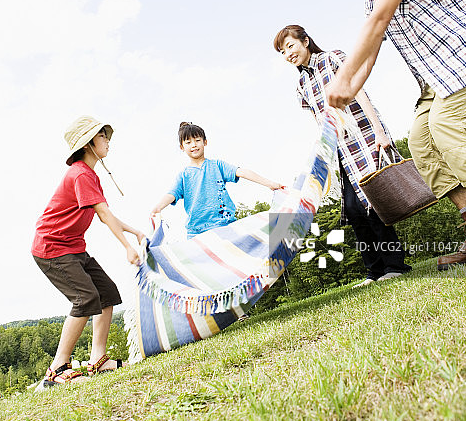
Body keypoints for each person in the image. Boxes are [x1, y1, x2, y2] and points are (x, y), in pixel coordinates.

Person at [319, 0, 466, 268]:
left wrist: (342, 76)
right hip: (436, 79)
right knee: (421, 142)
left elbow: (379, 20)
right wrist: (347, 92)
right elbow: (372, 50)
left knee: (447, 126)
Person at [274, 24, 411, 285]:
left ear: (305, 41)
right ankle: (374, 271)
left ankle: (395, 265)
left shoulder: (332, 58)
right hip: (340, 148)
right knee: (352, 208)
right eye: (283, 52)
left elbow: (360, 92)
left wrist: (379, 131)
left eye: (290, 46)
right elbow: (319, 120)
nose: (288, 54)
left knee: (373, 201)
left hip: (364, 135)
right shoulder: (301, 84)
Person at [32, 115, 145, 387]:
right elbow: (104, 214)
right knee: (85, 299)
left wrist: (134, 232)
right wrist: (128, 247)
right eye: (102, 136)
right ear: (87, 144)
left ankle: (98, 360)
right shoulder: (80, 174)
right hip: (52, 247)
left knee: (106, 293)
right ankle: (56, 370)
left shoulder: (89, 175)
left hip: (73, 248)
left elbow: (105, 214)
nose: (107, 141)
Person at [150, 121, 283, 237]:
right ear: (182, 147)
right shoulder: (184, 175)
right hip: (197, 233)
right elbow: (171, 194)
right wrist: (158, 208)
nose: (194, 145)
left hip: (224, 226)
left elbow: (242, 172)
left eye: (197, 140)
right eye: (188, 142)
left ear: (205, 142)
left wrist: (270, 183)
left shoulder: (217, 165)